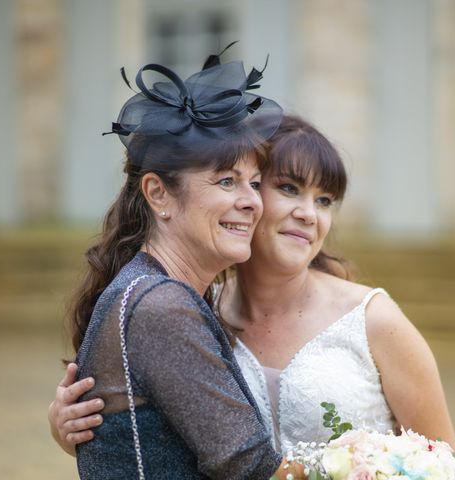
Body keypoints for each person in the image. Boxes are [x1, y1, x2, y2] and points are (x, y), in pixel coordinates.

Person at [50, 115, 455, 474]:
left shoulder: (373, 318)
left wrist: (372, 469)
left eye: (324, 200)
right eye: (287, 188)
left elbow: (445, 464)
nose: (308, 213)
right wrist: (78, 429)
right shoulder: (193, 307)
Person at [57, 46, 307, 480]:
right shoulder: (160, 307)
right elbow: (251, 469)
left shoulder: (156, 292)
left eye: (255, 183)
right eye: (227, 181)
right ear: (158, 194)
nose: (250, 202)